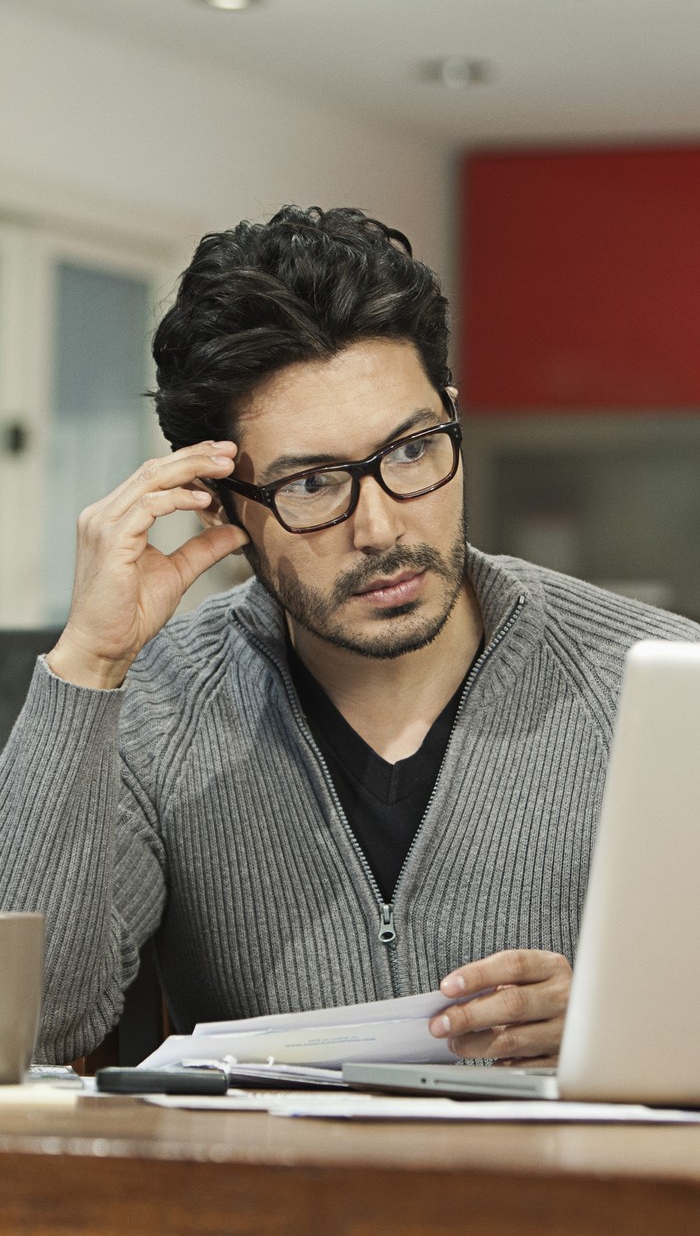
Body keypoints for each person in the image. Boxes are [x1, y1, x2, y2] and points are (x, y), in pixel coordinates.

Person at [1, 205, 698, 1067]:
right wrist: (91, 661)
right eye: (314, 482)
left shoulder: (658, 683)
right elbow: (36, 1029)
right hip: (264, 1197)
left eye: (410, 451)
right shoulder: (158, 703)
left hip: (571, 1198)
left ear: (450, 417)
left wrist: (638, 1020)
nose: (379, 527)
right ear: (221, 506)